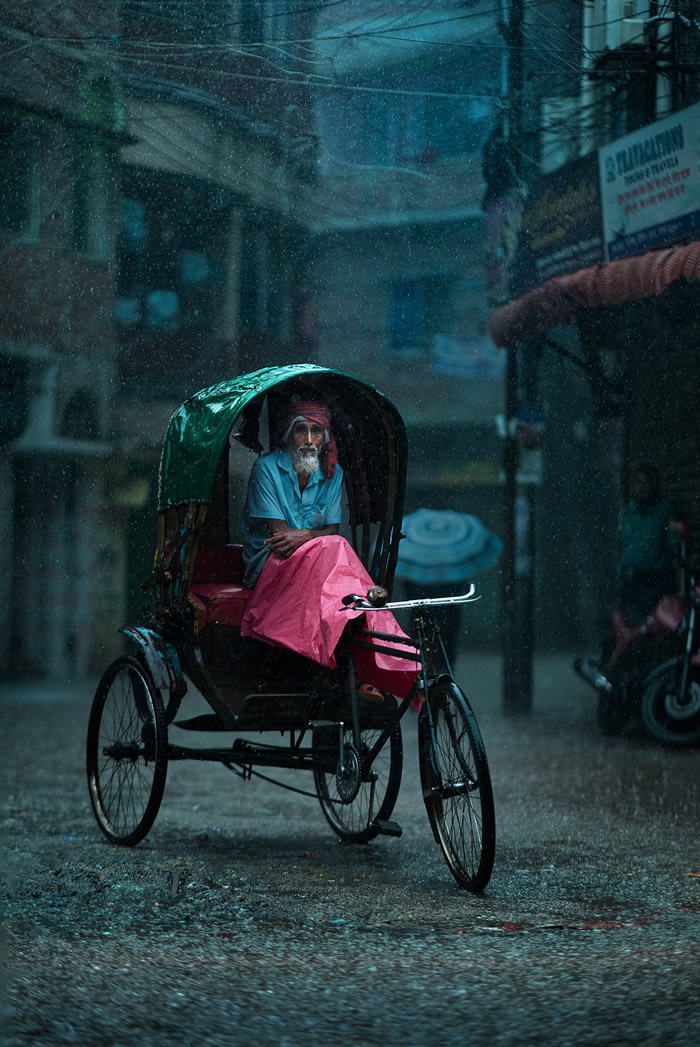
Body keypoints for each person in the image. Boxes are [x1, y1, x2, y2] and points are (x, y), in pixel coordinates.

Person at [239, 399, 418, 699]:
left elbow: (329, 531)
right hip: (269, 564)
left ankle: (350, 666)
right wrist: (313, 536)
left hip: (320, 561)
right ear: (288, 435)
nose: (309, 440)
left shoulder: (333, 474)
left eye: (317, 432)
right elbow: (280, 538)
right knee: (338, 549)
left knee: (335, 554)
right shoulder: (266, 469)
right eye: (301, 431)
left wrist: (307, 535)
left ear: (325, 439)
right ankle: (386, 650)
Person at [617, 463, 680, 624]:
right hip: (630, 577)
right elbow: (623, 540)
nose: (641, 487)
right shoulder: (629, 509)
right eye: (637, 482)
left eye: (645, 482)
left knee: (652, 624)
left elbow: (674, 540)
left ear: (654, 485)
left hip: (655, 579)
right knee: (629, 622)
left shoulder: (665, 510)